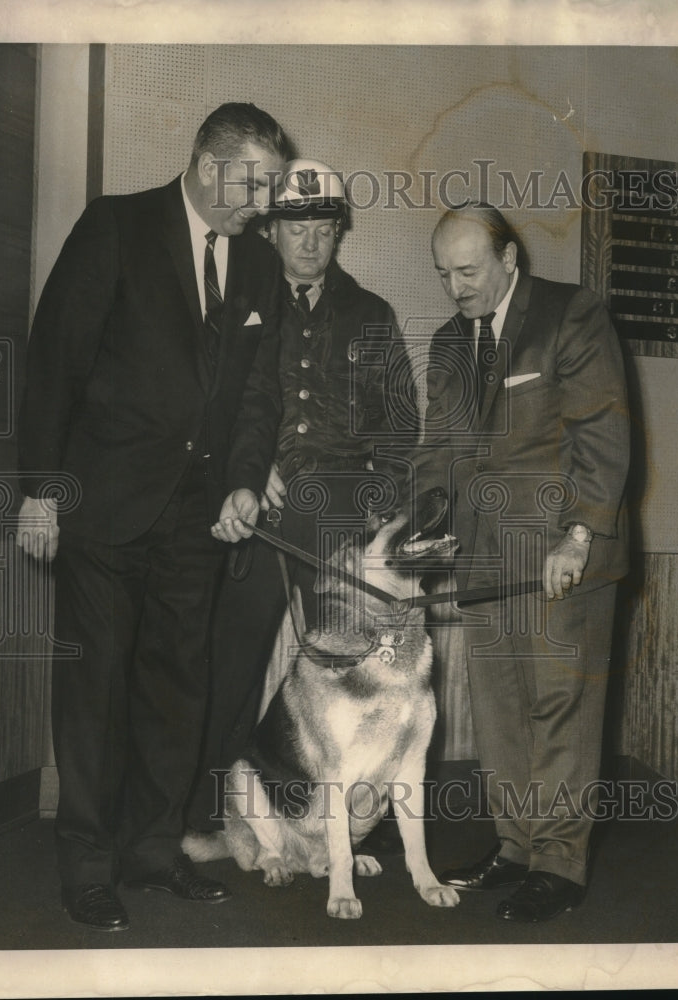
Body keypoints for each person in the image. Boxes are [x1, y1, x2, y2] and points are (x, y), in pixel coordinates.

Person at [16, 103, 289, 931]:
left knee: (178, 689)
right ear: (209, 166)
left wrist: (245, 482)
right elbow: (54, 359)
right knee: (96, 690)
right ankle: (89, 868)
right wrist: (40, 489)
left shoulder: (260, 270)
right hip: (102, 507)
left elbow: (257, 396)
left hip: (197, 522)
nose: (265, 202)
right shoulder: (116, 228)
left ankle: (151, 852)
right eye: (256, 183)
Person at [186, 158, 418, 837]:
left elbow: (401, 428)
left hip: (341, 513)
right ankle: (204, 820)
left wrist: (379, 506)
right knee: (228, 661)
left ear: (339, 232)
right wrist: (245, 470)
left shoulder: (372, 314)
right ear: (271, 232)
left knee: (347, 674)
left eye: (323, 227)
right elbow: (213, 406)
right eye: (295, 227)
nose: (310, 243)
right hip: (256, 510)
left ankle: (340, 832)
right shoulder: (237, 303)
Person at [414, 204, 630, 923]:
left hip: (559, 553)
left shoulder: (572, 315)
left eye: (469, 271)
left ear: (511, 260)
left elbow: (601, 434)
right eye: (444, 274)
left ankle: (560, 864)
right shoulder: (450, 343)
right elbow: (438, 452)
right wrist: (421, 526)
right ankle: (516, 845)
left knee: (559, 706)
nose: (456, 287)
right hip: (484, 558)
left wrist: (580, 535)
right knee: (501, 708)